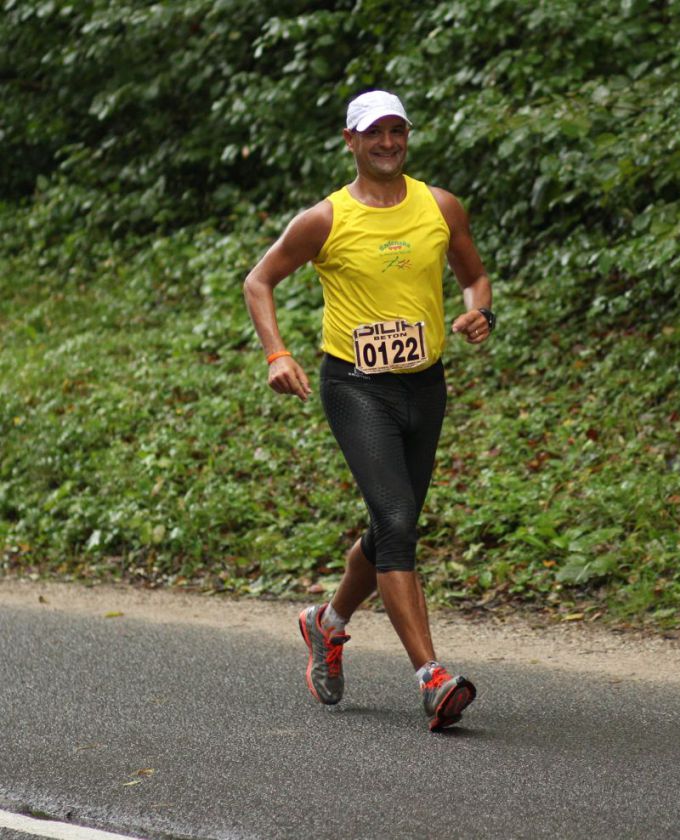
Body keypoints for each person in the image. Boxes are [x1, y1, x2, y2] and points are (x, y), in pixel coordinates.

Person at [243, 90, 494, 731]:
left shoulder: (439, 206)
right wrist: (277, 354)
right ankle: (432, 678)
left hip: (425, 385)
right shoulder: (323, 220)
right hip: (355, 386)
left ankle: (325, 624)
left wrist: (479, 310)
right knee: (397, 518)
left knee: (390, 529)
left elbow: (474, 275)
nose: (387, 142)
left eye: (396, 131)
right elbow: (259, 280)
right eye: (373, 133)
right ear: (350, 141)